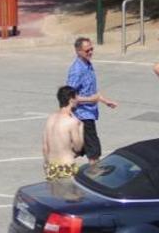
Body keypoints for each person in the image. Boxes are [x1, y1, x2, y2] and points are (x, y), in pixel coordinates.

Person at [66, 37, 117, 165]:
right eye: (87, 50)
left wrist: (105, 101)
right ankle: (95, 178)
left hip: (89, 113)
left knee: (79, 148)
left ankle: (60, 167)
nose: (90, 52)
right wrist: (90, 99)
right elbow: (69, 96)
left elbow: (91, 91)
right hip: (83, 115)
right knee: (94, 151)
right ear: (78, 51)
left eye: (91, 49)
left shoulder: (88, 65)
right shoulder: (77, 70)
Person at [43, 86, 84, 181]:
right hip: (66, 166)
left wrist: (46, 164)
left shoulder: (50, 119)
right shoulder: (72, 122)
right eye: (76, 97)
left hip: (52, 166)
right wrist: (81, 127)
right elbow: (78, 147)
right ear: (71, 100)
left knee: (54, 194)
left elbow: (45, 147)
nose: (77, 99)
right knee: (70, 195)